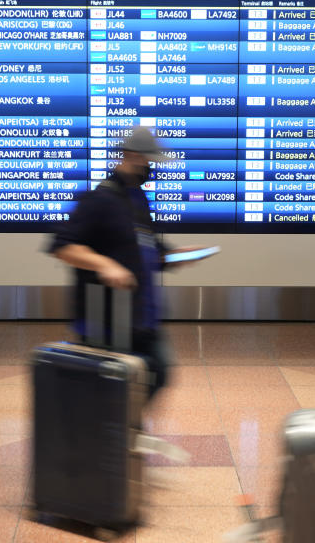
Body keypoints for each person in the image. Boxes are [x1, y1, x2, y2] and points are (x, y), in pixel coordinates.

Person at [49, 127, 210, 404]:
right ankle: (114, 435)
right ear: (132, 156)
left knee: (156, 374)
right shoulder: (99, 200)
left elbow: (147, 249)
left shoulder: (138, 199)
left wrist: (176, 255)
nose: (153, 168)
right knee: (114, 391)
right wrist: (105, 264)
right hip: (109, 322)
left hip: (141, 317)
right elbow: (63, 246)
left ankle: (123, 431)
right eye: (150, 161)